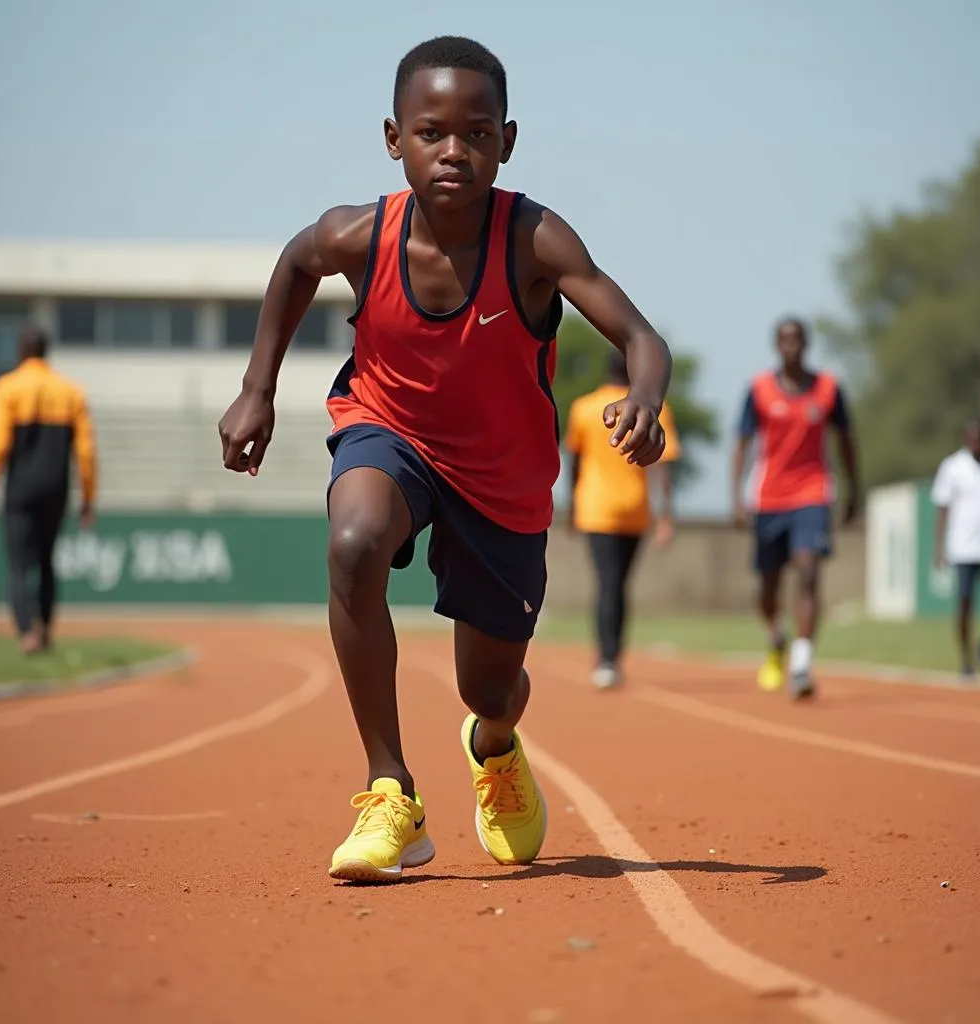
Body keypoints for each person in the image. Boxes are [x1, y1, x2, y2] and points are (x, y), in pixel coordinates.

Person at [218, 36, 672, 884]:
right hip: (390, 430)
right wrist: (258, 388)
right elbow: (295, 262)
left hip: (502, 480)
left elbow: (641, 338)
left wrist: (645, 394)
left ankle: (493, 747)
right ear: (395, 138)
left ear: (507, 139)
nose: (454, 150)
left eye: (476, 131)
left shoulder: (533, 239)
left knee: (489, 690)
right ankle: (389, 791)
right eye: (432, 132)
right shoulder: (360, 234)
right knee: (353, 541)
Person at [731, 317, 858, 700]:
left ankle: (801, 664)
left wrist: (855, 489)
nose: (791, 346)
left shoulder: (829, 389)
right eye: (784, 340)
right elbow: (742, 442)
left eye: (797, 340)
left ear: (806, 345)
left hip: (813, 492)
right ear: (776, 345)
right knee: (768, 591)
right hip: (769, 497)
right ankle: (776, 632)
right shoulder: (759, 389)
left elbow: (847, 441)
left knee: (807, 571)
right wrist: (736, 496)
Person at [565, 347, 682, 689]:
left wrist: (572, 505)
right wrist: (666, 517)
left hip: (596, 509)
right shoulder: (655, 409)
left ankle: (607, 659)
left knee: (608, 583)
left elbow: (574, 461)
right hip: (636, 509)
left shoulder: (584, 408)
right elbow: (663, 465)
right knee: (618, 584)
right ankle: (611, 657)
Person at [0, 326, 97, 653]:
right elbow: (86, 452)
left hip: (20, 490)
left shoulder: (7, 388)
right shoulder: (70, 392)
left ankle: (26, 630)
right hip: (56, 488)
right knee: (46, 561)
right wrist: (88, 497)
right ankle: (44, 626)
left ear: (20, 352)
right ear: (46, 353)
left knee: (18, 563)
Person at [931, 419, 980, 677]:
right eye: (972, 439)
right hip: (962, 547)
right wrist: (938, 550)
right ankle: (966, 660)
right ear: (965, 440)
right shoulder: (952, 467)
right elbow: (942, 509)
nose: (977, 444)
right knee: (964, 605)